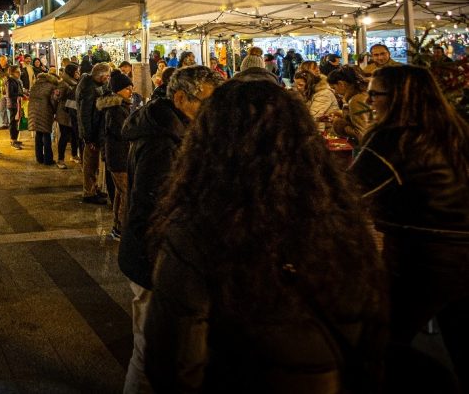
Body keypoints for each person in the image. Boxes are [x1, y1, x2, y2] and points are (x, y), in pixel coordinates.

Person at [144, 80, 387, 392]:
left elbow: (174, 359)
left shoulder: (199, 227)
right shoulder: (339, 216)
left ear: (209, 142)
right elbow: (373, 324)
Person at [353, 65, 469, 390]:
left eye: (375, 93)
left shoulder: (394, 139)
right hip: (458, 254)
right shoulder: (454, 129)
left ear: (399, 98)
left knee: (379, 341)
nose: (369, 99)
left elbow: (349, 194)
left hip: (423, 257)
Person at [119, 66, 224, 393]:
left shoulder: (169, 128)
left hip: (156, 255)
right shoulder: (163, 141)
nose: (210, 111)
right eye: (205, 102)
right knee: (149, 350)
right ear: (180, 98)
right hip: (153, 258)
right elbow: (155, 206)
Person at [98, 70, 134, 240]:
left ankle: (117, 226)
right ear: (118, 90)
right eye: (127, 88)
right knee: (126, 192)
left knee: (121, 193)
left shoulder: (120, 106)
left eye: (131, 87)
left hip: (118, 156)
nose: (131, 90)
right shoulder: (116, 109)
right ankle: (121, 228)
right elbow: (123, 132)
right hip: (119, 156)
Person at [77, 63, 111, 205]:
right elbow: (85, 115)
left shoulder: (89, 84)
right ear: (102, 76)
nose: (108, 79)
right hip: (91, 133)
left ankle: (93, 188)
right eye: (107, 76)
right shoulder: (89, 88)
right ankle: (89, 192)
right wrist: (89, 137)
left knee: (93, 163)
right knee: (90, 164)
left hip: (93, 132)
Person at [326, 65, 372, 143]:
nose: (336, 92)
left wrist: (340, 125)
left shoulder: (356, 100)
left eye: (334, 88)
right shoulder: (364, 94)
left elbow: (362, 134)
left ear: (341, 84)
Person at [27, 69, 60, 166]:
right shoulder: (51, 86)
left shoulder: (34, 86)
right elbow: (53, 101)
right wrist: (55, 110)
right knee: (46, 135)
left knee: (38, 135)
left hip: (33, 113)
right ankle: (48, 160)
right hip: (45, 112)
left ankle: (39, 158)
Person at [56, 63, 81, 166]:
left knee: (74, 135)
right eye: (76, 72)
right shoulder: (64, 83)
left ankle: (74, 155)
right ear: (71, 72)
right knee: (65, 136)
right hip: (64, 113)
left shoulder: (75, 82)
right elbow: (57, 97)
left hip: (73, 112)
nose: (78, 73)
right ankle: (60, 159)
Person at [4, 66, 25, 149]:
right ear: (12, 72)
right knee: (13, 122)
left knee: (16, 122)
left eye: (19, 71)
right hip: (13, 104)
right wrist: (21, 95)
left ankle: (15, 139)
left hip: (17, 103)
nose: (19, 73)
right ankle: (13, 140)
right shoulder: (10, 81)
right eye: (17, 71)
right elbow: (9, 94)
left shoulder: (17, 80)